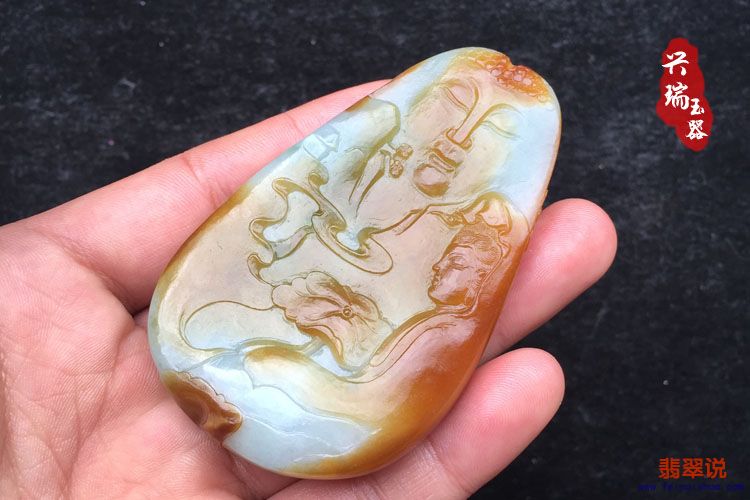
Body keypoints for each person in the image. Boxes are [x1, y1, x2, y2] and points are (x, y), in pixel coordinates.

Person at [0, 82, 616, 497]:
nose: (451, 143)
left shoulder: (433, 285)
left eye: (486, 136)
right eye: (451, 109)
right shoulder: (337, 190)